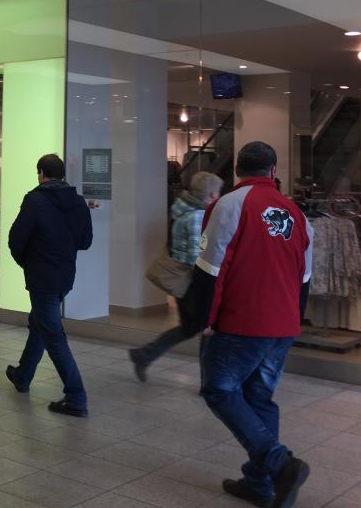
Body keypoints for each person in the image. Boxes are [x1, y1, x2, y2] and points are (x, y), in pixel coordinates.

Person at [192, 141, 312, 508]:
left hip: (241, 321)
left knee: (219, 389)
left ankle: (280, 463)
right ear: (273, 171)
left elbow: (211, 269)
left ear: (237, 170)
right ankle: (258, 483)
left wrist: (205, 318)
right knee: (260, 397)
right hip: (283, 324)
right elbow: (304, 277)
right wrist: (293, 321)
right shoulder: (298, 214)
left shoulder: (229, 204)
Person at [5, 154, 93, 417]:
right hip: (65, 276)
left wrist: (28, 263)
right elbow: (85, 241)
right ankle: (23, 375)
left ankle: (76, 396)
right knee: (40, 324)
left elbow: (15, 239)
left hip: (42, 278)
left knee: (53, 334)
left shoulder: (35, 200)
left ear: (41, 173)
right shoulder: (78, 202)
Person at [129, 171, 223, 381]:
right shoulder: (196, 216)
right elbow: (196, 257)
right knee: (209, 328)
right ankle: (209, 381)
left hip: (183, 283)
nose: (219, 197)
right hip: (192, 285)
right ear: (210, 195)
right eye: (217, 192)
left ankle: (144, 355)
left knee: (190, 328)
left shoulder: (183, 208)